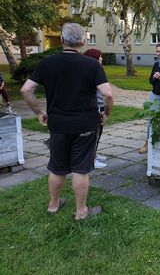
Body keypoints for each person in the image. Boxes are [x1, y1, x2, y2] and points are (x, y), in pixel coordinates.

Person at [20, 23, 113, 220]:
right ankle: (81, 211)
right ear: (83, 42)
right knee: (80, 168)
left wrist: (39, 112)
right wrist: (105, 114)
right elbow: (108, 94)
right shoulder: (92, 64)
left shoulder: (47, 63)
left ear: (62, 40)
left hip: (58, 124)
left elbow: (26, 90)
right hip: (85, 124)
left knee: (57, 166)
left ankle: (53, 205)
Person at [83, 48, 107, 169]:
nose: (101, 59)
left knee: (98, 133)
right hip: (95, 107)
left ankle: (95, 155)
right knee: (94, 134)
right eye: (99, 57)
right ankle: (91, 160)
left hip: (100, 105)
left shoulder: (97, 70)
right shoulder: (92, 71)